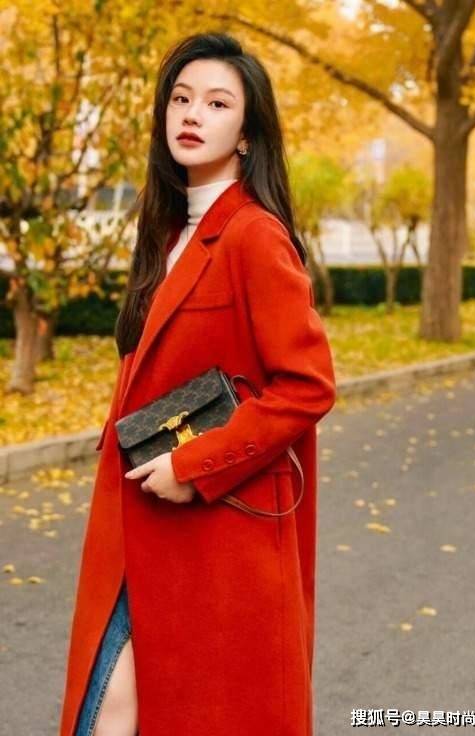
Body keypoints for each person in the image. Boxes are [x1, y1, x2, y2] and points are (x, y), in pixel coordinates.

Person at [59, 31, 337, 736]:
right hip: (138, 522)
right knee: (109, 706)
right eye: (181, 99)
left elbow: (307, 385)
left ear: (246, 134)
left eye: (217, 103)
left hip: (214, 538)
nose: (192, 114)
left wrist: (193, 466)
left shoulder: (253, 235)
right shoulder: (167, 233)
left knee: (136, 710)